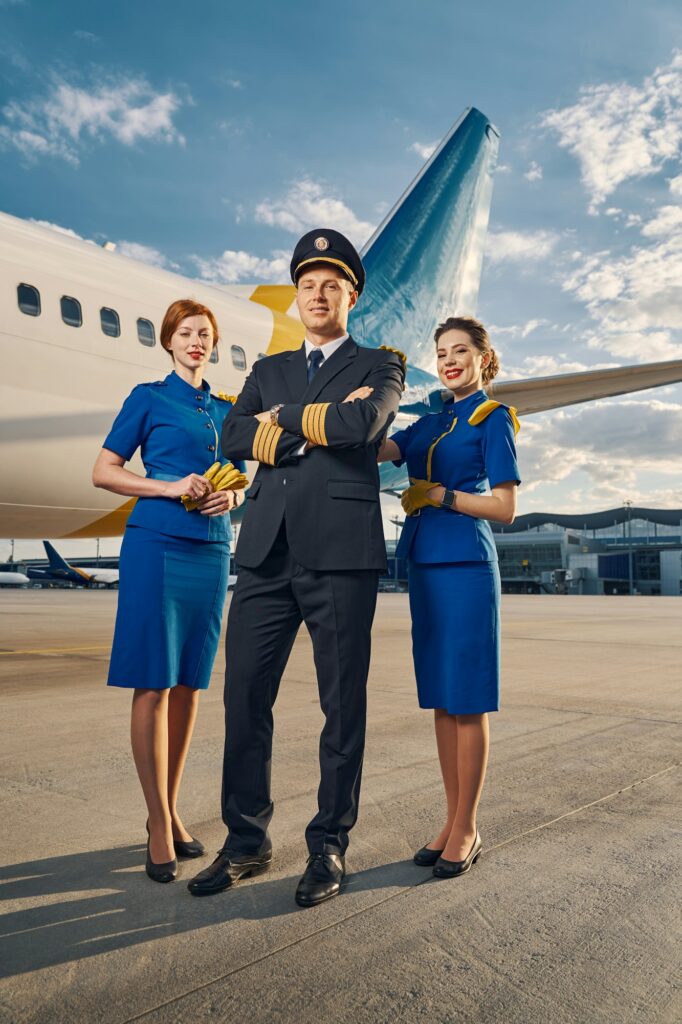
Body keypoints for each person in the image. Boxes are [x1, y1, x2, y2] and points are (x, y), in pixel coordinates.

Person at [188, 228, 405, 906]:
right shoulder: (268, 368)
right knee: (245, 697)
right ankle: (246, 839)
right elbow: (232, 432)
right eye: (307, 284)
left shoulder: (382, 363)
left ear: (351, 296)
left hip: (341, 554)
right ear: (299, 295)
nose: (317, 294)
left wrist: (284, 424)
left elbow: (363, 427)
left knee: (341, 707)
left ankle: (329, 844)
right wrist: (304, 429)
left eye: (331, 285)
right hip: (264, 553)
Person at [92, 299, 246, 884]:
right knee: (152, 684)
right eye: (186, 333)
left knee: (188, 686)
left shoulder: (228, 409)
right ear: (169, 341)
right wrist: (166, 486)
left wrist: (231, 498)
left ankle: (173, 808)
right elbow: (104, 470)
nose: (197, 342)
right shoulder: (148, 398)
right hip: (156, 547)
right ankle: (157, 822)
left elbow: (243, 478)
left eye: (205, 334)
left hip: (211, 553)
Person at [378, 316, 520, 879]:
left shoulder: (492, 419)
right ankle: (450, 817)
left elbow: (506, 507)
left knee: (468, 699)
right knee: (441, 698)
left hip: (466, 563)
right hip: (426, 565)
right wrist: (368, 395)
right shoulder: (429, 420)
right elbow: (375, 447)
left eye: (460, 351)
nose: (449, 360)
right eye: (441, 353)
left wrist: (441, 495)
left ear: (484, 358)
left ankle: (468, 825)